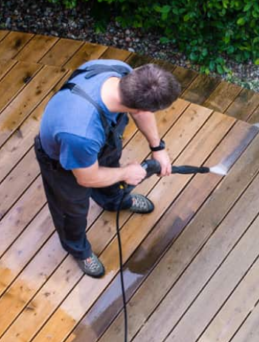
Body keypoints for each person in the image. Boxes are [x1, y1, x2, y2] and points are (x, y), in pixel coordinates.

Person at [34, 59, 181, 278]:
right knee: (72, 211)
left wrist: (157, 147)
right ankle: (78, 249)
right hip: (64, 163)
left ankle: (115, 201)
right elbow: (87, 178)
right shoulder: (81, 132)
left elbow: (141, 113)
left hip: (102, 142)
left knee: (111, 173)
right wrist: (126, 173)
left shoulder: (122, 72)